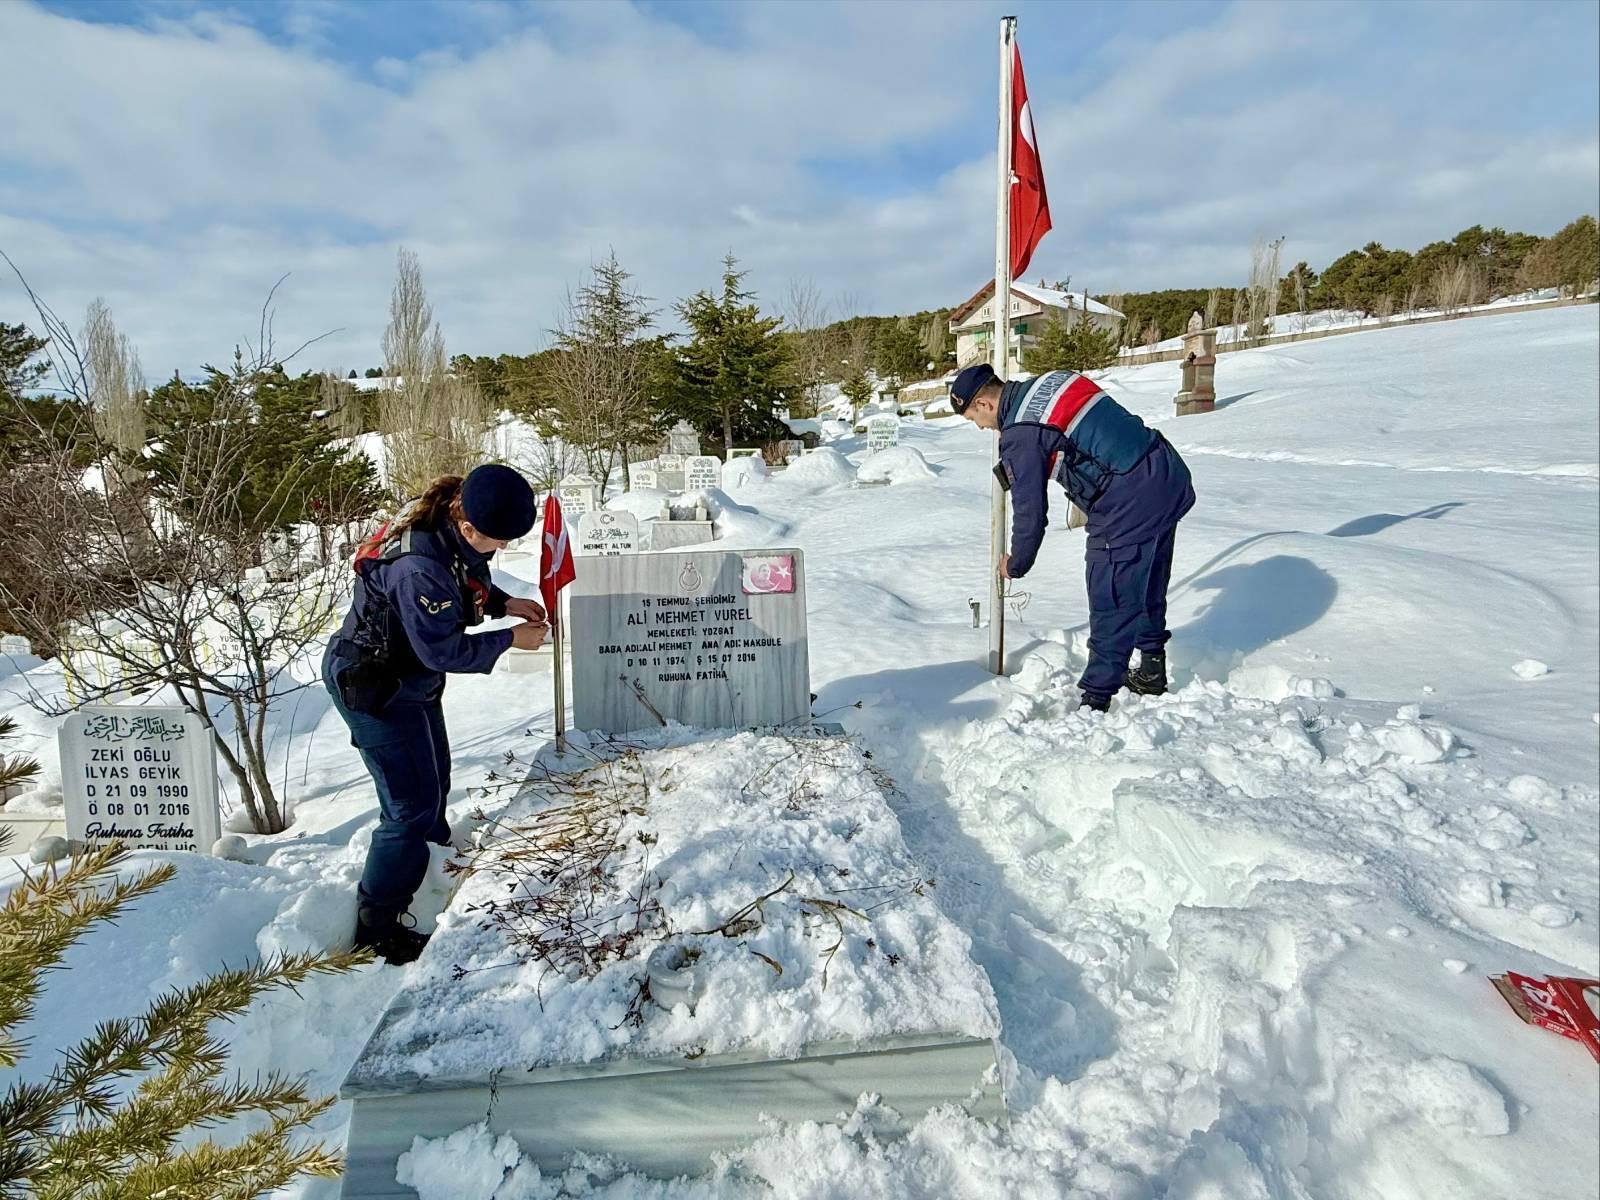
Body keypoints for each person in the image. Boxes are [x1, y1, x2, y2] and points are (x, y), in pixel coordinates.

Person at [324, 464, 549, 964]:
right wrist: (511, 638)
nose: (504, 549)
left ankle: (427, 867)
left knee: (435, 781)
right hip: (375, 686)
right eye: (499, 539)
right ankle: (378, 924)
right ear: (468, 525)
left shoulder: (450, 529)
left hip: (410, 679)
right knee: (408, 809)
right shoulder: (417, 567)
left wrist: (505, 602)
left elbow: (466, 580)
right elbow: (442, 651)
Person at [950, 362, 1195, 712]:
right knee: (1147, 580)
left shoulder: (1019, 433)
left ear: (985, 404)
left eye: (975, 419)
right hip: (1164, 471)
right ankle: (1151, 670)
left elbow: (1031, 513)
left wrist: (1015, 564)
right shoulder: (1054, 380)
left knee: (1111, 593)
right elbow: (1088, 433)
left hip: (1126, 498)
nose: (981, 427)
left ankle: (1095, 700)